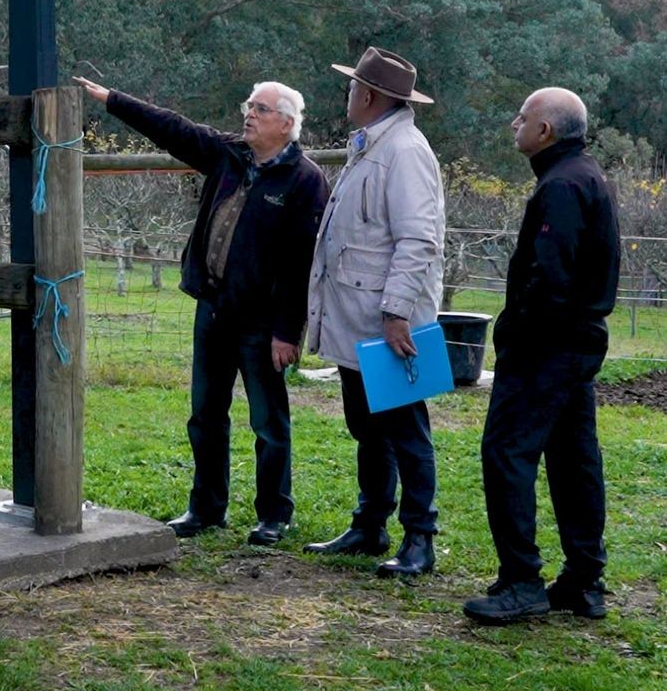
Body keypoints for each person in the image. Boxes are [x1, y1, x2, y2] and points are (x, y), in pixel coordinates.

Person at [75, 76, 329, 545]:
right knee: (206, 415)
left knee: (268, 422)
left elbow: (302, 265)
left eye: (260, 109)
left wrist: (286, 331)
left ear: (286, 123)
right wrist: (114, 100)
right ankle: (206, 508)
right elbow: (175, 129)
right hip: (213, 309)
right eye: (248, 105)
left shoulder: (305, 180)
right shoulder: (230, 155)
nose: (249, 114)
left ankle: (275, 514)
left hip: (261, 322)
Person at [462, 88, 619, 625]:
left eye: (522, 117)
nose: (515, 124)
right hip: (578, 342)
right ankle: (584, 580)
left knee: (507, 453)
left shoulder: (561, 186)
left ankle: (521, 580)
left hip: (545, 346)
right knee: (575, 459)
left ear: (545, 131)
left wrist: (515, 332)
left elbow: (551, 274)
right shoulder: (586, 176)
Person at [304, 47, 445, 578]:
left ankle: (420, 537)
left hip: (386, 323)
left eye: (352, 87)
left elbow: (418, 239)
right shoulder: (373, 145)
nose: (348, 94)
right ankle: (370, 524)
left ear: (368, 95)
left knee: (406, 431)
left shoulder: (404, 151)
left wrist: (396, 312)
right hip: (359, 316)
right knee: (367, 427)